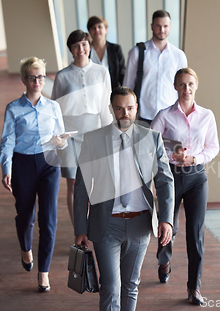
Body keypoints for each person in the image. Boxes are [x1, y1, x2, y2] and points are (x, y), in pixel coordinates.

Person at [74, 87, 174, 311]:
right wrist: (80, 227)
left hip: (141, 224)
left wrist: (166, 219)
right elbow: (81, 188)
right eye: (119, 109)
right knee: (110, 285)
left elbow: (165, 181)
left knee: (130, 284)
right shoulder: (93, 140)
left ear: (136, 109)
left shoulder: (152, 138)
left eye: (129, 108)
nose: (125, 114)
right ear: (111, 109)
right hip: (106, 223)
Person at [0, 57, 70, 292]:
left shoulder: (53, 107)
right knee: (25, 216)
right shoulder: (14, 108)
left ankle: (44, 272)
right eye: (32, 77)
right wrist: (6, 169)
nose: (38, 81)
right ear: (24, 80)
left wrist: (61, 142)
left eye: (41, 76)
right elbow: (7, 142)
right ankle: (25, 247)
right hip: (23, 164)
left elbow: (60, 139)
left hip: (49, 164)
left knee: (48, 221)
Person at [151, 68, 219, 305]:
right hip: (170, 176)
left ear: (196, 85)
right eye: (181, 84)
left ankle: (194, 288)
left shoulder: (207, 115)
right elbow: (151, 142)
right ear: (175, 87)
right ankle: (164, 260)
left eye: (190, 84)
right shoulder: (165, 115)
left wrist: (194, 159)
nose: (186, 89)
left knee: (196, 233)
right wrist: (172, 151)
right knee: (169, 227)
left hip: (197, 177)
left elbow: (213, 147)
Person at [51, 30, 113, 225]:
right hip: (69, 135)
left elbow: (106, 106)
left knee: (93, 182)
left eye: (84, 44)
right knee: (73, 183)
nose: (81, 49)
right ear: (70, 49)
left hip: (94, 132)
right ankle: (79, 227)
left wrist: (109, 133)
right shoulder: (62, 76)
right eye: (76, 46)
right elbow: (55, 109)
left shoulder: (102, 72)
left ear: (90, 46)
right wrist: (58, 137)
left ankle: (93, 225)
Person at [123, 10, 188, 125]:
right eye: (158, 26)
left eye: (165, 26)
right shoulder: (137, 52)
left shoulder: (178, 56)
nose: (162, 30)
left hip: (171, 116)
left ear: (170, 27)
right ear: (152, 26)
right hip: (143, 115)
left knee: (168, 144)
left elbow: (184, 86)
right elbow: (128, 85)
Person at [87, 16, 126, 90]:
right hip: (91, 93)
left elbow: (122, 74)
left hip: (111, 93)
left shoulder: (115, 49)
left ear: (106, 30)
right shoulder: (85, 50)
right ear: (89, 31)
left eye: (99, 27)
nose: (97, 30)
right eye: (93, 28)